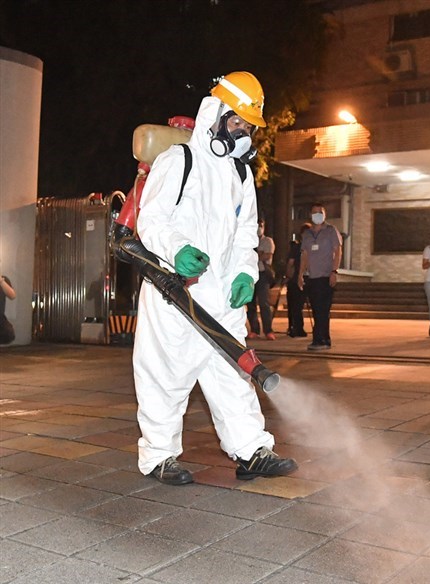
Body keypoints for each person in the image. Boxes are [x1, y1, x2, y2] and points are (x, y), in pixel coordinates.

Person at [133, 71, 297, 485]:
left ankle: (250, 450)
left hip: (222, 295)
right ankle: (159, 456)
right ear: (218, 114)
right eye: (237, 122)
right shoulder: (178, 160)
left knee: (234, 372)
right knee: (165, 373)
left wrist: (245, 274)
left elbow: (246, 236)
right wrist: (178, 250)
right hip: (175, 288)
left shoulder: (240, 176)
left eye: (247, 126)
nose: (242, 132)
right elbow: (152, 220)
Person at [298, 203, 342, 351]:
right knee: (316, 309)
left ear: (325, 215)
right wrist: (300, 274)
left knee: (323, 309)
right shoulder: (307, 234)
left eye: (320, 212)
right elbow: (304, 255)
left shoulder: (330, 231)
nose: (317, 215)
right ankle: (320, 338)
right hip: (312, 276)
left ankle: (322, 339)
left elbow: (337, 251)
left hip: (325, 275)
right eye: (314, 212)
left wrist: (334, 271)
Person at [246, 218, 276, 340]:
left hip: (262, 274)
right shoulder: (248, 241)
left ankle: (268, 330)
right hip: (250, 275)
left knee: (264, 303)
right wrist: (258, 254)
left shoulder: (268, 241)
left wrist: (257, 255)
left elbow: (267, 255)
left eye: (261, 225)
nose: (258, 228)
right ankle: (254, 329)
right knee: (251, 303)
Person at [285, 223, 311, 337]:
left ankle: (296, 328)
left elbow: (290, 263)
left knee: (296, 305)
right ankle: (296, 327)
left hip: (305, 278)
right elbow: (290, 264)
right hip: (297, 278)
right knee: (296, 305)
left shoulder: (300, 247)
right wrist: (289, 276)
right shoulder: (298, 247)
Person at [0, 274, 16, 345]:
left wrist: (1, 282)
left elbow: (12, 295)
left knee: (8, 333)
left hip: (1, 319)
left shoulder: (4, 279)